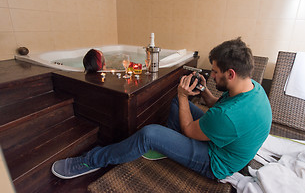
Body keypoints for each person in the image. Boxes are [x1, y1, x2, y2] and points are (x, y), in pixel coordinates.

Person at [51, 37, 272, 180]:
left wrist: (183, 94)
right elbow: (217, 104)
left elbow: (189, 129)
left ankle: (92, 160)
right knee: (176, 104)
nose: (211, 75)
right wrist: (203, 90)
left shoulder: (228, 117)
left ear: (231, 74)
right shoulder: (253, 89)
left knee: (150, 134)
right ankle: (171, 147)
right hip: (225, 140)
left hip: (216, 163)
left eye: (214, 72)